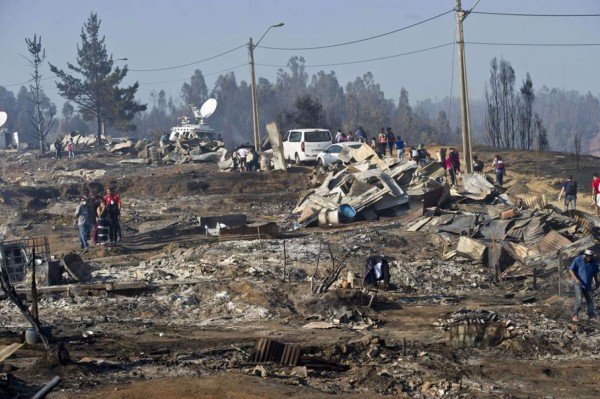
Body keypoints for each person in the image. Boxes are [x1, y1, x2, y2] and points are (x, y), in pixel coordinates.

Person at [569, 249, 599, 322]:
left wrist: (597, 281)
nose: (589, 258)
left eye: (590, 256)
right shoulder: (578, 259)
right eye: (587, 256)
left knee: (590, 300)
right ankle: (575, 315)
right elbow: (570, 270)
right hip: (578, 284)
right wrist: (576, 279)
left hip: (588, 284)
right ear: (585, 255)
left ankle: (591, 315)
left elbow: (595, 273)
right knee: (579, 299)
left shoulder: (594, 262)